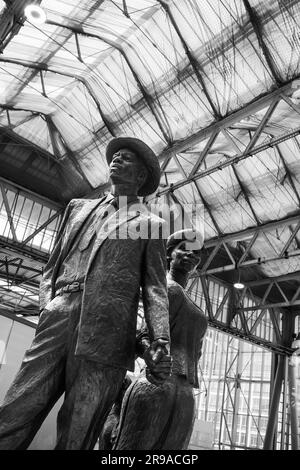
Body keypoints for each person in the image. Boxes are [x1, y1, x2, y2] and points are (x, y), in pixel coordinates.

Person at [0, 137, 171, 450]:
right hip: (59, 313)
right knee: (15, 410)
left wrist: (159, 340)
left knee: (80, 427)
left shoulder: (151, 224)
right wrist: (46, 309)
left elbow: (155, 287)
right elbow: (52, 266)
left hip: (108, 332)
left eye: (126, 159)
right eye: (114, 156)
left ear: (141, 176)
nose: (116, 160)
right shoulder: (78, 208)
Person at [113, 228, 208, 450]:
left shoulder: (189, 302)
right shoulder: (165, 288)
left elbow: (198, 351)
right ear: (169, 255)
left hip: (185, 391)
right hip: (157, 383)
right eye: (183, 249)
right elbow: (143, 334)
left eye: (196, 253)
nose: (191, 255)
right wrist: (151, 353)